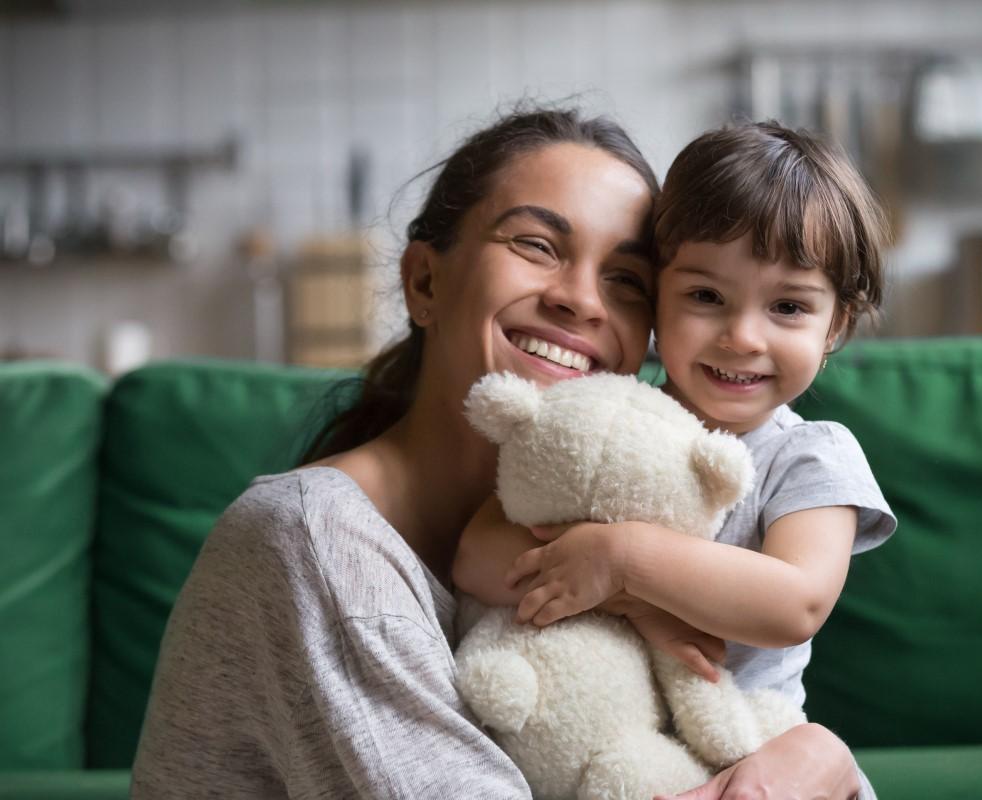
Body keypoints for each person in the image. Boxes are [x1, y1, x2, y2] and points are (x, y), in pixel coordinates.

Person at [130, 107, 866, 799]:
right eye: (537, 246)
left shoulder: (646, 483)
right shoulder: (313, 541)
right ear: (424, 281)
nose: (582, 301)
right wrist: (821, 764)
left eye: (625, 279)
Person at [454, 122, 895, 800]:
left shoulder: (809, 452)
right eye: (706, 297)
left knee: (809, 752)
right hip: (617, 750)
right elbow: (479, 553)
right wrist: (636, 608)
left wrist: (626, 562)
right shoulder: (608, 420)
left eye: (788, 307)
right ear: (657, 296)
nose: (743, 336)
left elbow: (795, 601)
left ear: (835, 324)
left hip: (754, 747)